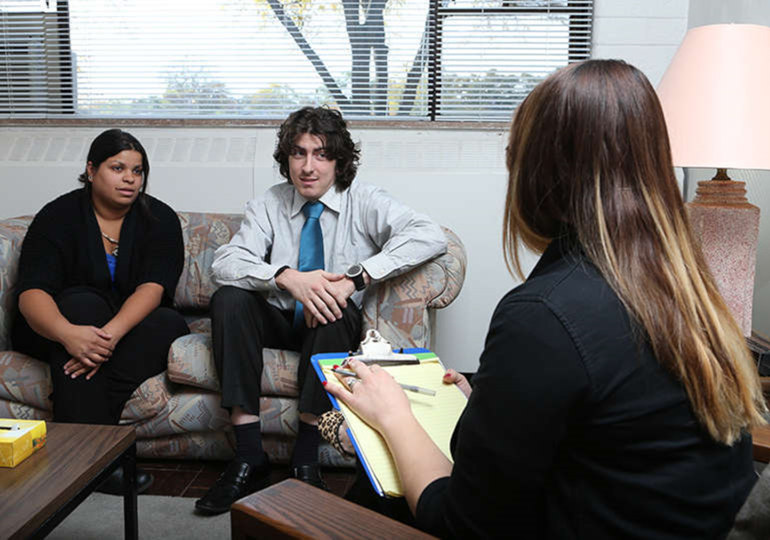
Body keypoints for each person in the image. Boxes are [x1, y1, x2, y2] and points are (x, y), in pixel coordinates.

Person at [325, 59, 768, 538]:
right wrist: (501, 402)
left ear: (536, 175)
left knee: (370, 488)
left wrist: (394, 417)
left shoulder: (543, 315)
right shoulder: (690, 290)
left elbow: (461, 523)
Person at [194, 106, 447, 515]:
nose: (308, 167)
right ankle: (247, 455)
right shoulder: (268, 204)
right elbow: (226, 263)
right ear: (286, 159)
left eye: (321, 154)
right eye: (298, 153)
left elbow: (429, 235)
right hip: (278, 317)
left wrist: (354, 279)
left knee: (334, 304)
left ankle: (305, 460)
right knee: (230, 298)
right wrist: (287, 277)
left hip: (330, 322)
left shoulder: (364, 200)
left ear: (339, 161)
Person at [12, 129, 189, 494]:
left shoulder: (160, 219)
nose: (129, 178)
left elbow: (152, 289)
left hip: (120, 332)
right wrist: (68, 334)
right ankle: (100, 464)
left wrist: (102, 343)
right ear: (91, 170)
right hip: (60, 325)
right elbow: (31, 293)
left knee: (169, 323)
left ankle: (78, 448)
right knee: (81, 303)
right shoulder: (58, 215)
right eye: (117, 167)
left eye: (137, 171)